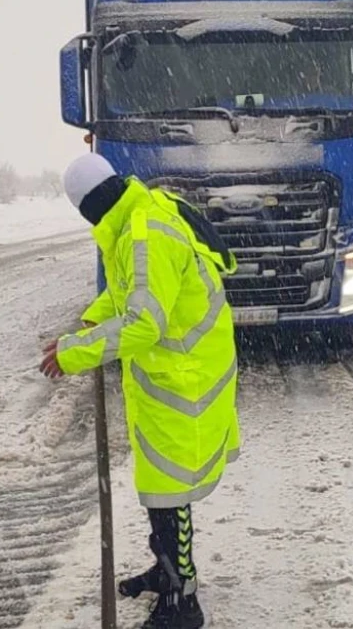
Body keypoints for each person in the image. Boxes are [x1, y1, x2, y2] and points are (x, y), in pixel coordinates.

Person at [42, 153, 241, 629]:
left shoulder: (142, 233)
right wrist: (95, 315)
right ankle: (165, 569)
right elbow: (132, 290)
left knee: (169, 489)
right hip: (176, 371)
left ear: (89, 206)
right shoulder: (139, 214)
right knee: (159, 486)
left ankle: (182, 598)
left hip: (184, 376)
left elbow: (144, 321)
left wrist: (76, 351)